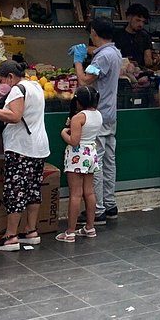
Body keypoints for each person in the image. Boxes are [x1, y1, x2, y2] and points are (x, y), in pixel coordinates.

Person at [0, 61, 51, 251]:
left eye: (1, 80)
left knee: (15, 191)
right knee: (33, 189)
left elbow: (15, 116)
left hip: (22, 148)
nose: (1, 83)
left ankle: (10, 236)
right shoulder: (34, 85)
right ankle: (30, 231)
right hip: (39, 146)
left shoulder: (18, 89)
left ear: (10, 77)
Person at [74, 17, 122, 224]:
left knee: (98, 161)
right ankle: (110, 204)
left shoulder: (102, 57)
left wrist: (77, 60)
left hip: (99, 115)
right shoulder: (115, 52)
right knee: (109, 160)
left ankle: (99, 208)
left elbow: (85, 80)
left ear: (94, 32)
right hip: (111, 114)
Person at [56, 85, 101, 242]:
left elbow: (74, 141)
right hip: (91, 154)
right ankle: (90, 227)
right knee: (89, 192)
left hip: (77, 156)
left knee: (75, 193)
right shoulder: (97, 115)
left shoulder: (78, 118)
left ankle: (70, 232)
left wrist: (63, 133)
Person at [114, 3, 155, 69]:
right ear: (129, 18)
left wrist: (155, 61)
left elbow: (148, 61)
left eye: (143, 22)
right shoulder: (117, 35)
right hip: (120, 71)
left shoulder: (145, 36)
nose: (141, 24)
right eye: (138, 20)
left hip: (139, 72)